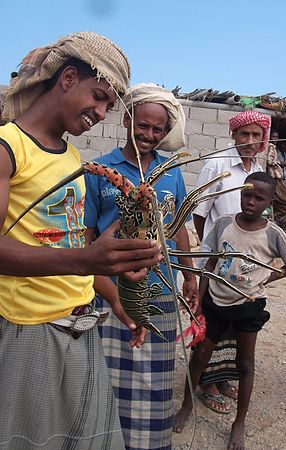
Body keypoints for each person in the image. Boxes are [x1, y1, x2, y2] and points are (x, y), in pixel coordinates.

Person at [0, 32, 161, 450]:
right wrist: (88, 259)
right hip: (29, 332)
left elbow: (76, 249)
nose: (102, 113)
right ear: (68, 77)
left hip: (81, 324)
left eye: (109, 105)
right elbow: (78, 256)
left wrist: (118, 297)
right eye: (99, 96)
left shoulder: (72, 159)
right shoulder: (8, 149)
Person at [84, 82, 199, 450]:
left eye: (158, 129)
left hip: (159, 291)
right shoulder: (99, 169)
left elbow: (179, 225)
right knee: (105, 380)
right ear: (127, 120)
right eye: (143, 125)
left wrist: (190, 276)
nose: (149, 135)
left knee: (153, 382)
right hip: (110, 292)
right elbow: (87, 236)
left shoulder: (172, 172)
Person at [173, 171, 286, 449]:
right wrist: (199, 301)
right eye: (247, 194)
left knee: (245, 363)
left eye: (258, 197)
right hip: (215, 303)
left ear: (268, 202)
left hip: (248, 306)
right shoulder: (223, 224)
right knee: (200, 356)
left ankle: (239, 422)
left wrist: (275, 275)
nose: (251, 201)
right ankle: (186, 405)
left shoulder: (273, 233)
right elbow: (208, 264)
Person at [192, 110, 268, 414]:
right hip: (216, 266)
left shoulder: (257, 168)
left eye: (255, 135)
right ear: (233, 135)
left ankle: (223, 378)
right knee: (212, 324)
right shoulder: (218, 165)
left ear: (263, 138)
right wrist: (212, 252)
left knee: (235, 327)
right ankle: (205, 383)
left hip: (243, 270)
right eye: (243, 135)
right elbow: (199, 213)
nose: (249, 141)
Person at [266, 129, 286, 228]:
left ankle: (280, 223)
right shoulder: (272, 147)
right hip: (276, 177)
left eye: (276, 137)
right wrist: (278, 163)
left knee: (277, 202)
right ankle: (282, 224)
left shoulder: (276, 148)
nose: (275, 139)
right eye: (273, 137)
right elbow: (269, 161)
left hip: (278, 177)